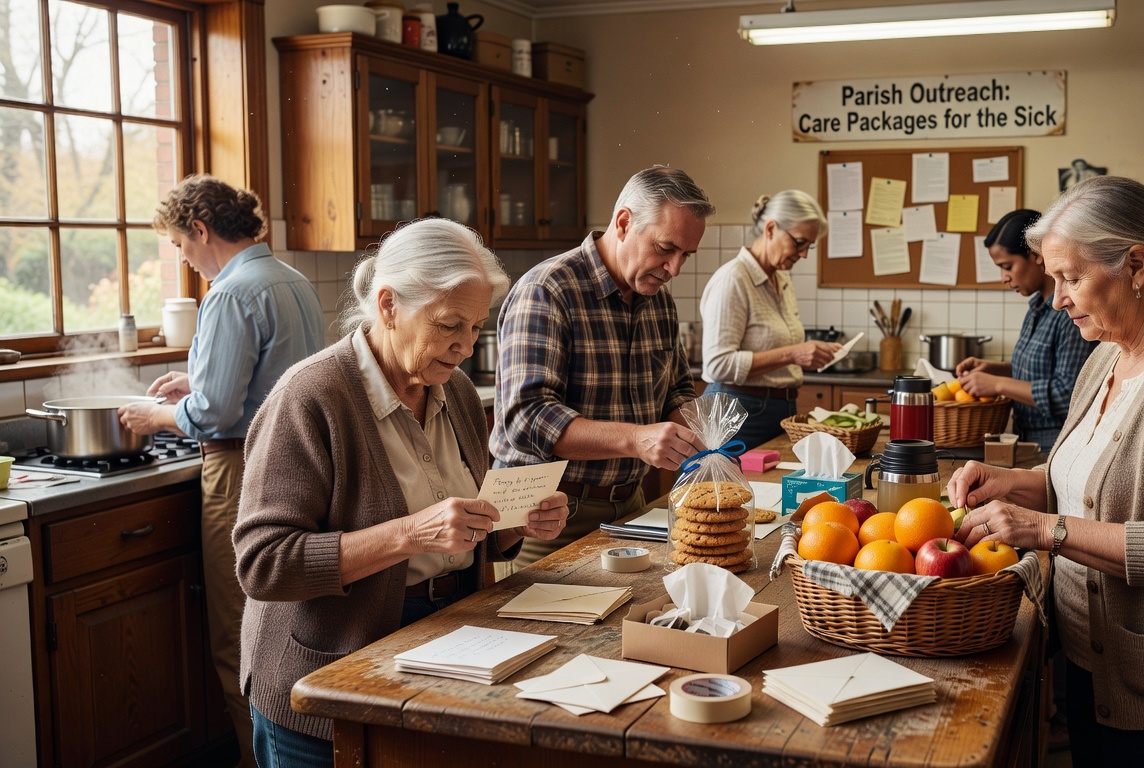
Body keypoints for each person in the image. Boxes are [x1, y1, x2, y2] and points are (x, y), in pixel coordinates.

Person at [946, 176, 1144, 766]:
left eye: (1071, 278)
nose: (1056, 298)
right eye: (1054, 278)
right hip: (1098, 666)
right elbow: (1091, 482)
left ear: (1137, 265)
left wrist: (1043, 529)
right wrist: (1018, 485)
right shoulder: (1106, 355)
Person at [232, 218, 570, 766]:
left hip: (450, 646)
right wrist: (412, 533)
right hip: (328, 680)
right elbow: (264, 564)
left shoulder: (454, 388)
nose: (465, 346)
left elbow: (463, 524)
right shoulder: (310, 396)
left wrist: (513, 520)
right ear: (388, 304)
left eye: (477, 327)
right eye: (448, 325)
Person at [117, 174, 323, 768]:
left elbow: (216, 413)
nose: (185, 259)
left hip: (240, 471)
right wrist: (196, 383)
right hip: (302, 463)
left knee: (241, 633)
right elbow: (271, 379)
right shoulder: (292, 281)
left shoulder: (231, 293)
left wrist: (159, 412)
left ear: (201, 230)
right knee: (291, 626)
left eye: (181, 246)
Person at [492, 167, 713, 565]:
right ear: (624, 222)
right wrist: (635, 439)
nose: (674, 269)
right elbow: (527, 418)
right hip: (544, 516)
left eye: (686, 255)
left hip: (630, 506)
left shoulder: (659, 300)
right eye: (665, 248)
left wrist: (700, 434)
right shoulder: (547, 290)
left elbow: (678, 388)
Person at [698, 190, 842, 449]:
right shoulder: (733, 279)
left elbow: (778, 348)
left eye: (809, 245)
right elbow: (717, 364)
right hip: (737, 413)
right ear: (771, 228)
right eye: (799, 242)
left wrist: (809, 355)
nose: (804, 254)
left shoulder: (782, 278)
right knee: (731, 490)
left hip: (780, 410)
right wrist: (794, 354)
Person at [956, 209, 1098, 451]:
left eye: (1008, 266)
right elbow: (1044, 369)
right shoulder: (1037, 307)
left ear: (1036, 255)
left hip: (1057, 444)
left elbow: (1068, 394)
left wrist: (998, 384)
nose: (1003, 277)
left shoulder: (1070, 313)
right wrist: (996, 369)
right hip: (1026, 440)